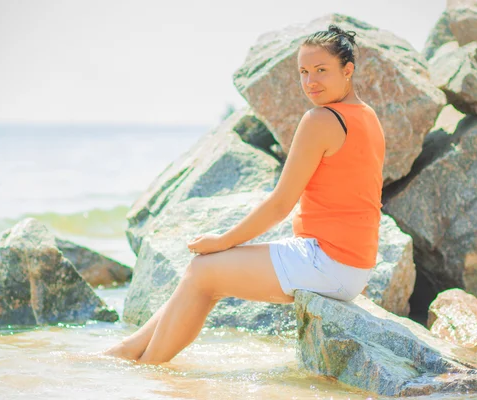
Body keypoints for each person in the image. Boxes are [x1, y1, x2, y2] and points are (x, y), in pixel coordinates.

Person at [104, 24, 385, 364]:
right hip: (349, 266)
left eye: (321, 70)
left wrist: (223, 241)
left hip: (328, 262)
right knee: (207, 277)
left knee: (202, 271)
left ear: (348, 70)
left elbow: (281, 203)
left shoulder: (321, 119)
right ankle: (127, 350)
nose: (310, 82)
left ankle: (149, 372)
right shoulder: (368, 116)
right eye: (304, 72)